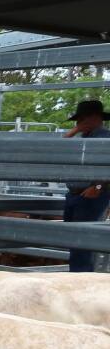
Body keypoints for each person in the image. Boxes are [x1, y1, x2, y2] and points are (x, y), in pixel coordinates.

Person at [61, 99, 110, 272]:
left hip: (91, 193)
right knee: (73, 239)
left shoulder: (105, 137)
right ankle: (78, 275)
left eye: (82, 119)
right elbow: (56, 149)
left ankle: (80, 278)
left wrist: (97, 187)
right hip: (75, 193)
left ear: (94, 117)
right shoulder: (83, 137)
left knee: (80, 242)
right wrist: (76, 131)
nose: (79, 123)